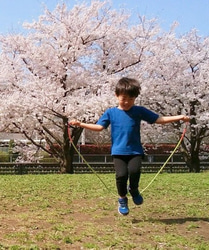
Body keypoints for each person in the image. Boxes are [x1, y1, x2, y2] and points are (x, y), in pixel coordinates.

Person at [69, 77, 190, 216]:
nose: (127, 102)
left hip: (135, 151)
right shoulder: (111, 112)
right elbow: (99, 127)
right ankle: (122, 198)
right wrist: (80, 124)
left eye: (131, 99)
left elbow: (158, 119)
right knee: (121, 175)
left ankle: (134, 190)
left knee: (134, 171)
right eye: (124, 98)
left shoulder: (139, 111)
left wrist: (179, 117)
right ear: (116, 95)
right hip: (118, 151)